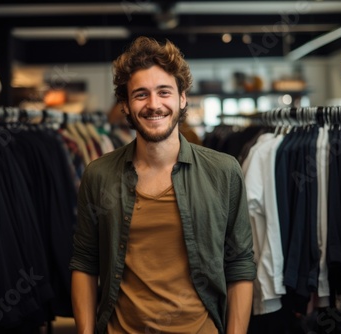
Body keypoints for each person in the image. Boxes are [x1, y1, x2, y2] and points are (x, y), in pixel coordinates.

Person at [70, 36, 256, 334]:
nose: (154, 104)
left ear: (182, 98)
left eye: (164, 92)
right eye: (140, 94)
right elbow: (84, 262)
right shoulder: (99, 174)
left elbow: (240, 265)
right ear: (126, 106)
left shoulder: (223, 171)